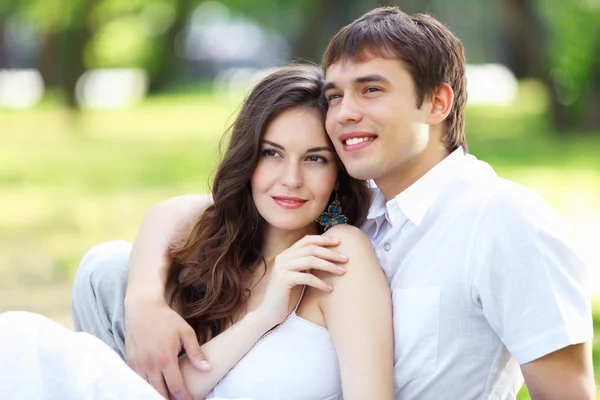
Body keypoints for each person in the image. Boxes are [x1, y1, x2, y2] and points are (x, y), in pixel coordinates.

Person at [73, 6, 595, 400]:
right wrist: (144, 300)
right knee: (96, 279)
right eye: (336, 94)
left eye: (371, 90)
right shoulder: (366, 208)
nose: (344, 112)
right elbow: (199, 210)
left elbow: (567, 391)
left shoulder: (499, 219)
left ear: (437, 102)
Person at [66, 64, 394, 400]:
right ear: (248, 160)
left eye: (315, 159)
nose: (291, 179)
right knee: (97, 273)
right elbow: (162, 393)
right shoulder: (228, 260)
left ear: (338, 172)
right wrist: (261, 318)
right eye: (272, 153)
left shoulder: (340, 256)